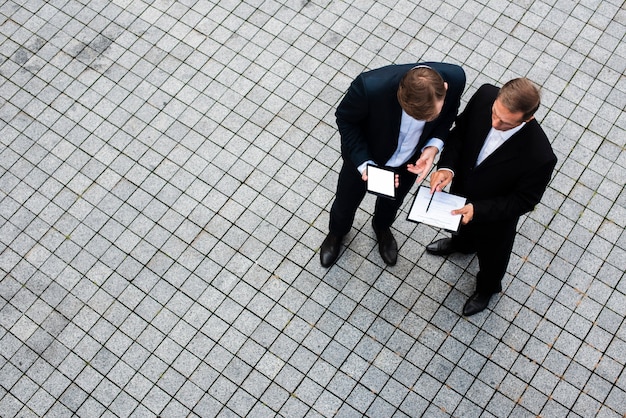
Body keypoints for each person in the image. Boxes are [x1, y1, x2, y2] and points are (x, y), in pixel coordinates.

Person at [421, 78, 557, 316]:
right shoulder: (485, 96)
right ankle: (461, 245)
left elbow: (524, 200)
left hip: (494, 219)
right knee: (461, 231)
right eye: (494, 113)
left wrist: (479, 210)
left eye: (505, 123)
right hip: (462, 192)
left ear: (527, 118)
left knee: (493, 259)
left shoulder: (540, 155)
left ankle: (487, 289)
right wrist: (447, 168)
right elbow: (460, 134)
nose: (495, 123)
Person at [320, 62, 466, 267]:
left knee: (393, 202)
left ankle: (382, 228)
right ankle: (337, 233)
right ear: (399, 94)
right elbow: (345, 120)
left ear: (445, 88)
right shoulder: (368, 87)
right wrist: (364, 164)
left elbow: (450, 112)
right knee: (346, 202)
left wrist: (432, 147)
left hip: (409, 163)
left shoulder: (456, 78)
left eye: (429, 117)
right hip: (366, 157)